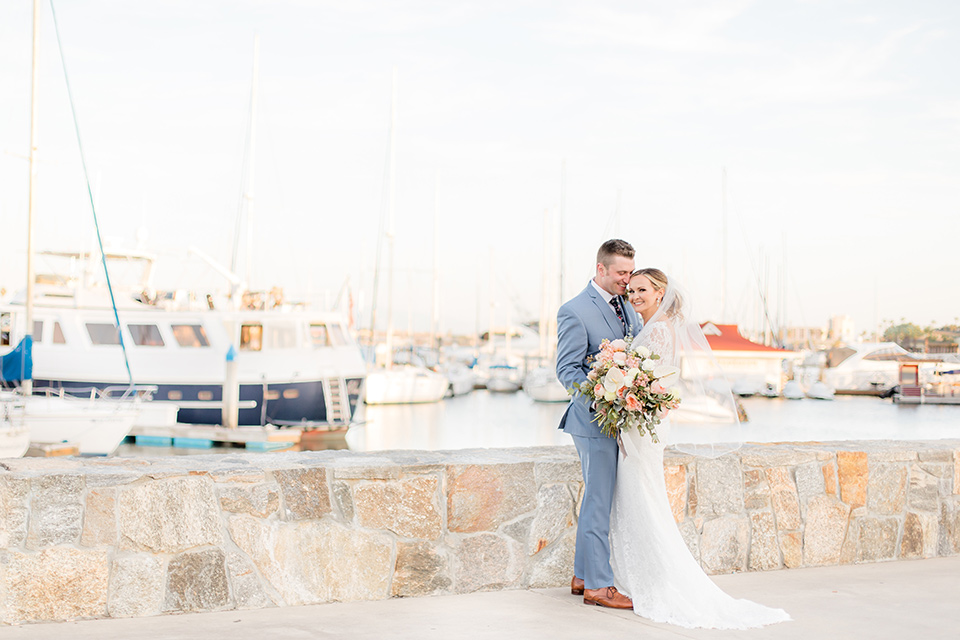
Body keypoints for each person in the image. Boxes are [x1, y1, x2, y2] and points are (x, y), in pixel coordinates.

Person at [609, 267, 791, 629]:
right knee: (641, 497)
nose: (635, 296)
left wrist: (622, 393)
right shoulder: (652, 328)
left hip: (643, 430)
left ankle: (655, 580)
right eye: (631, 291)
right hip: (639, 426)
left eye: (642, 290)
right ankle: (632, 575)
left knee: (643, 496)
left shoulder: (658, 330)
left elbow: (656, 384)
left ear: (660, 293)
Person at [555, 239, 640, 609]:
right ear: (601, 269)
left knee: (597, 498)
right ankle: (599, 587)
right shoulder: (574, 310)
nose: (627, 279)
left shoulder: (627, 305)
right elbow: (567, 371)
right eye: (621, 272)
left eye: (630, 271)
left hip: (620, 420)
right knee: (598, 501)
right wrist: (605, 395)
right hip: (593, 420)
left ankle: (582, 575)